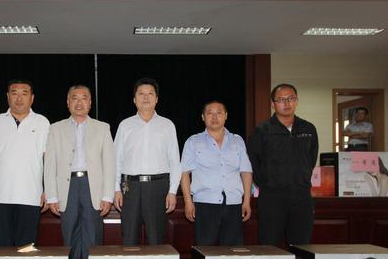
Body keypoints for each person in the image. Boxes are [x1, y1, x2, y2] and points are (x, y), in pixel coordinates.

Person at [44, 85, 115, 259]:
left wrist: (107, 195)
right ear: (68, 102)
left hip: (93, 187)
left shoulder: (102, 128)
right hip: (67, 187)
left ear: (90, 103)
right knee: (70, 242)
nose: (79, 102)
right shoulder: (55, 128)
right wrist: (52, 196)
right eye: (74, 98)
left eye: (84, 98)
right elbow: (50, 164)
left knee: (93, 241)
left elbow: (109, 163)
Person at [247, 83, 318, 245]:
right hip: (272, 197)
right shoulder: (262, 131)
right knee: (269, 246)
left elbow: (311, 158)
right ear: (273, 104)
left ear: (296, 101)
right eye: (280, 100)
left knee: (301, 246)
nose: (286, 103)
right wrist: (267, 184)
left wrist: (301, 177)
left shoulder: (308, 129)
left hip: (301, 196)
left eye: (290, 98)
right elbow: (253, 162)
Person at [0, 80, 49, 246]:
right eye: (14, 93)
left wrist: (48, 190)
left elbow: (48, 160)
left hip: (31, 196)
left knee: (26, 248)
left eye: (24, 94)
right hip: (0, 196)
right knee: (1, 248)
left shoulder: (42, 122)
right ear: (8, 96)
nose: (19, 98)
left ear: (32, 98)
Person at [113, 78, 181, 245]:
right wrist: (116, 189)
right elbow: (116, 160)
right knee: (129, 239)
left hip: (158, 187)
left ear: (156, 99)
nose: (145, 97)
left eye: (150, 94)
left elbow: (175, 161)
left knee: (157, 240)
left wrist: (172, 191)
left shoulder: (167, 125)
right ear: (134, 99)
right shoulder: (125, 125)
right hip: (130, 187)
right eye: (141, 94)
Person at [180, 100, 252, 245]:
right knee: (205, 249)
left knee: (233, 251)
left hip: (233, 203)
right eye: (210, 113)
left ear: (226, 116)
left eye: (219, 113)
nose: (214, 117)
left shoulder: (237, 141)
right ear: (203, 117)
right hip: (205, 203)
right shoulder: (193, 142)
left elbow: (246, 171)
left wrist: (246, 201)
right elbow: (184, 173)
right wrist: (188, 202)